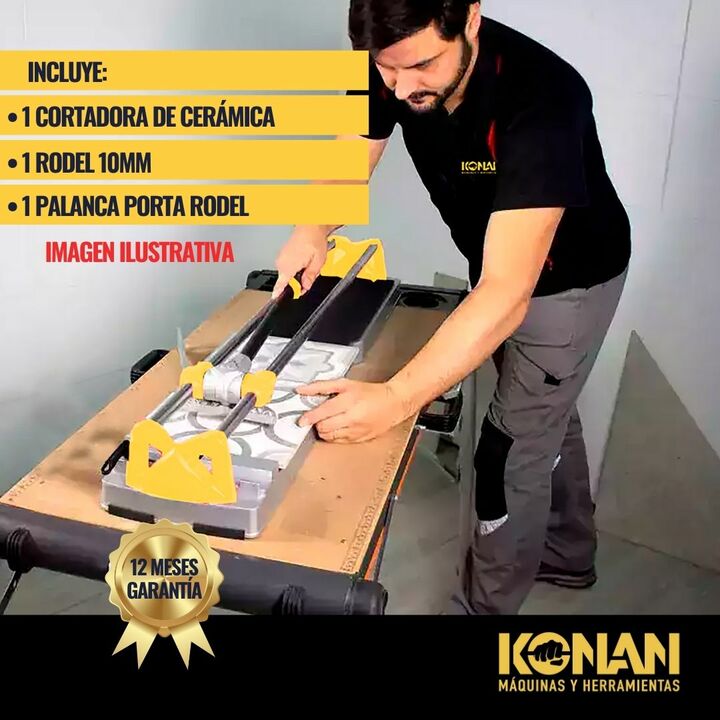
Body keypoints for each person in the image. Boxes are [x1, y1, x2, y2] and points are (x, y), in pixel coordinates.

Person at [272, 0, 631, 615]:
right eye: (385, 70)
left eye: (421, 67)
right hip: (496, 260)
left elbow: (507, 293)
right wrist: (311, 229)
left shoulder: (544, 97)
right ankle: (569, 552)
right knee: (545, 414)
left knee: (508, 453)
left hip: (566, 282)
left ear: (469, 18)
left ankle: (482, 610)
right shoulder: (395, 59)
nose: (400, 88)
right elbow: (352, 147)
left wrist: (395, 399)